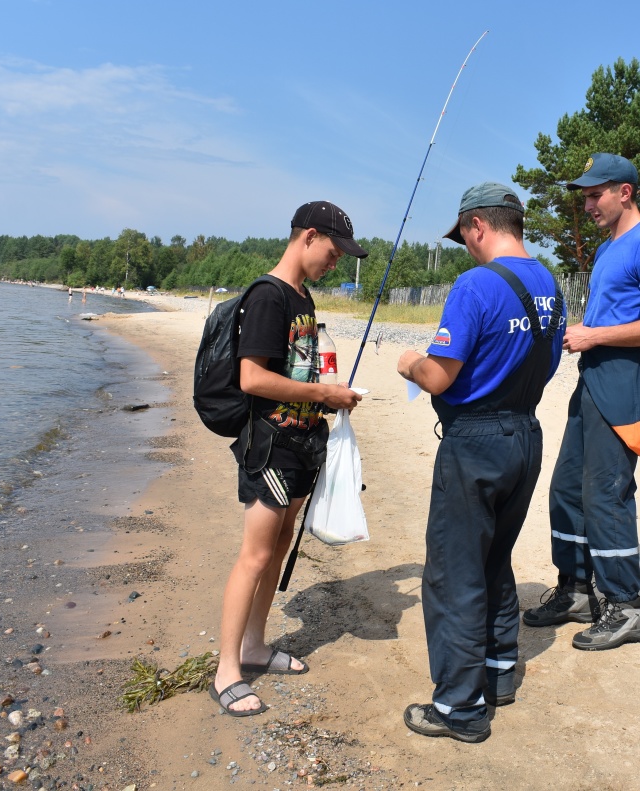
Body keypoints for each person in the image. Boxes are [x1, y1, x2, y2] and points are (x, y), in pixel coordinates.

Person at [397, 182, 565, 743]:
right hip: (527, 434)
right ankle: (498, 673)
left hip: (475, 442)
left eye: (464, 237)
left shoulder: (474, 286)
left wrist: (408, 363)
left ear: (478, 227)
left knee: (454, 574)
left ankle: (459, 708)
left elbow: (440, 375)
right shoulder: (552, 284)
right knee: (494, 559)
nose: (466, 247)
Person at [209, 201, 366, 716]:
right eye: (334, 251)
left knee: (277, 547)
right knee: (254, 555)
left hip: (302, 442)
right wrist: (323, 395)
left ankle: (254, 646)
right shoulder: (270, 296)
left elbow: (297, 371)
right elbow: (252, 378)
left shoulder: (303, 298)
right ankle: (226, 670)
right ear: (309, 236)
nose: (336, 262)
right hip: (270, 448)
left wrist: (325, 391)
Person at [523, 153, 640, 650]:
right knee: (567, 488)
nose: (588, 203)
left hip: (623, 388)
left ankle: (626, 604)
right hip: (591, 383)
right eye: (586, 195)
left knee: (606, 493)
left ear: (625, 192)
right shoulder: (609, 246)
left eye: (596, 194)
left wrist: (594, 337)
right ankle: (574, 589)